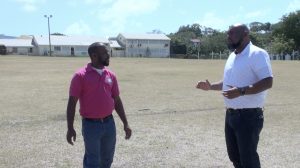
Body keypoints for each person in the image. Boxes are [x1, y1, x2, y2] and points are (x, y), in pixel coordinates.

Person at [196, 24, 273, 168]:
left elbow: (268, 81)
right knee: (235, 157)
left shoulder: (257, 53)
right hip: (231, 115)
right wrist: (211, 86)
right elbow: (228, 83)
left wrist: (241, 91)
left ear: (245, 34)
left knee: (248, 160)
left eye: (232, 33)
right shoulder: (233, 56)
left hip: (248, 117)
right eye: (228, 34)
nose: (228, 37)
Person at [66, 42, 132, 168]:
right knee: (93, 162)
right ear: (94, 56)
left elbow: (117, 100)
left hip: (109, 124)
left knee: (107, 160)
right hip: (91, 126)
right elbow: (71, 103)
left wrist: (126, 123)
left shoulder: (110, 75)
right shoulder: (80, 76)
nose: (108, 55)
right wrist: (70, 127)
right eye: (105, 53)